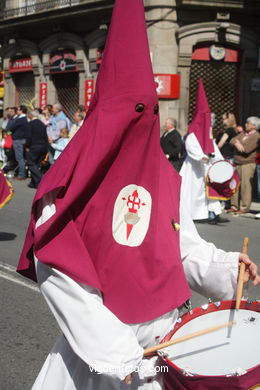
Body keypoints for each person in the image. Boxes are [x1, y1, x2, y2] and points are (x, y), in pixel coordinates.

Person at [17, 1, 259, 389]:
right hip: (101, 358)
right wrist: (119, 356)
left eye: (145, 114)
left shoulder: (162, 176)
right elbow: (62, 280)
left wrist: (227, 268)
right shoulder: (66, 188)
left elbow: (180, 247)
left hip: (167, 344)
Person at [180, 80, 228, 225]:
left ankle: (215, 213)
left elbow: (214, 148)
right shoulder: (193, 134)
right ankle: (193, 214)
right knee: (194, 192)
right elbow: (191, 148)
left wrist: (220, 161)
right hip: (194, 168)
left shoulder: (208, 135)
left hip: (208, 167)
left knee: (210, 191)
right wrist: (202, 158)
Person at [227, 116, 260, 214]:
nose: (246, 124)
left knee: (246, 186)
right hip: (237, 162)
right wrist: (237, 143)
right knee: (235, 184)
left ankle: (244, 207)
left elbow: (246, 149)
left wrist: (237, 143)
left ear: (254, 126)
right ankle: (234, 205)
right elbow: (232, 140)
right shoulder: (243, 133)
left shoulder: (256, 136)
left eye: (248, 123)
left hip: (247, 163)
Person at [26, 110, 48, 189]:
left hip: (34, 146)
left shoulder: (31, 124)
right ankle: (34, 182)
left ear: (31, 115)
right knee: (36, 164)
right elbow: (45, 136)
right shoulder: (41, 124)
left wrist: (27, 146)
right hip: (43, 146)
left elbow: (28, 136)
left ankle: (40, 179)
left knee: (31, 163)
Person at [6, 105, 29, 180]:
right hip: (22, 139)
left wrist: (12, 118)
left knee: (20, 158)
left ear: (21, 111)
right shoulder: (25, 119)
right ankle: (21, 173)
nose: (17, 111)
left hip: (18, 140)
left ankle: (21, 174)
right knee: (21, 157)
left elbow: (10, 127)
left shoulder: (21, 119)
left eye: (18, 110)